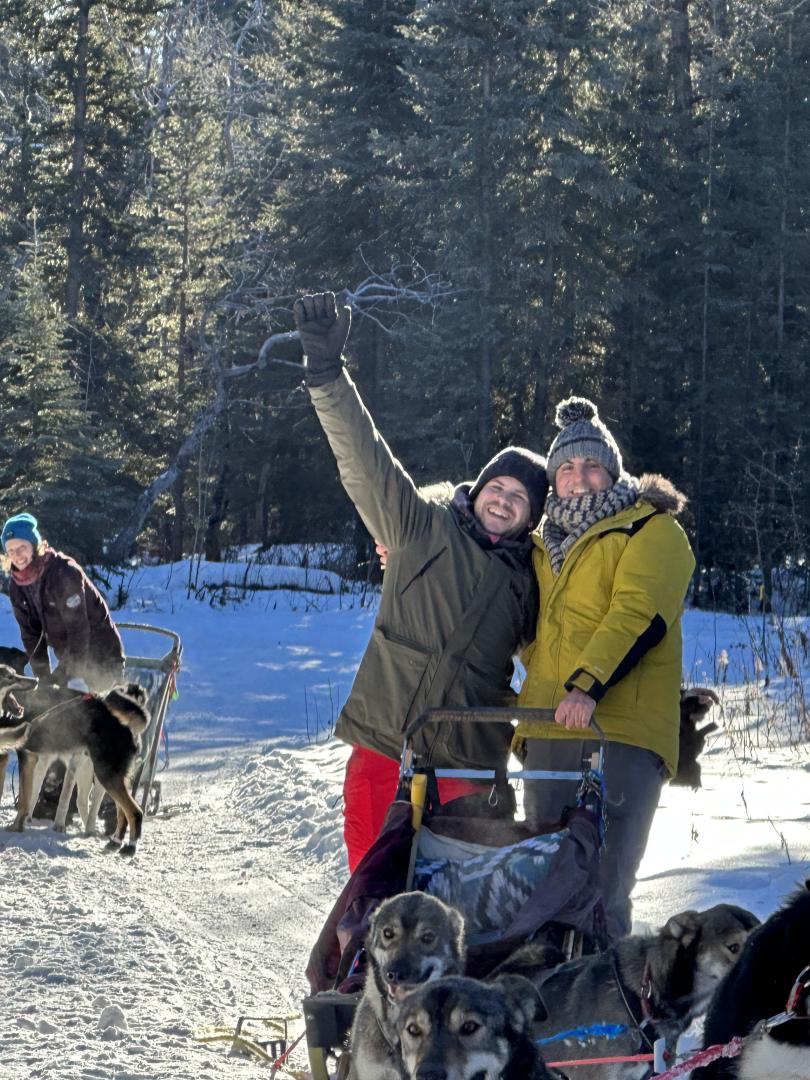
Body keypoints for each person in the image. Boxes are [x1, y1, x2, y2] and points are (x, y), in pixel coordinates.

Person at [293, 292, 547, 872]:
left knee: (461, 894)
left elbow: (560, 640)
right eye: (498, 489)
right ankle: (355, 967)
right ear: (478, 489)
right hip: (388, 741)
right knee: (371, 886)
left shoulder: (531, 578)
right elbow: (365, 459)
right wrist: (328, 376)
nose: (504, 502)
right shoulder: (418, 527)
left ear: (531, 517)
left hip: (467, 759)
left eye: (519, 500)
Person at [515, 396, 695, 941]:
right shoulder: (541, 544)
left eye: (592, 465)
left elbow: (637, 613)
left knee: (606, 887)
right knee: (541, 885)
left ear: (613, 471)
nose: (579, 477)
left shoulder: (650, 530)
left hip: (621, 732)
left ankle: (610, 1014)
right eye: (566, 467)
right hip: (549, 726)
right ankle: (545, 1010)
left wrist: (587, 685)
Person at [1, 512, 125, 694]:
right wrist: (43, 678)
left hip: (103, 658)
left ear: (34, 545)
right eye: (11, 550)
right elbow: (31, 635)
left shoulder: (63, 573)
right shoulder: (17, 586)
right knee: (49, 709)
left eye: (22, 547)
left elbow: (79, 630)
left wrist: (75, 676)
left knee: (89, 716)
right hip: (70, 660)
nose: (17, 555)